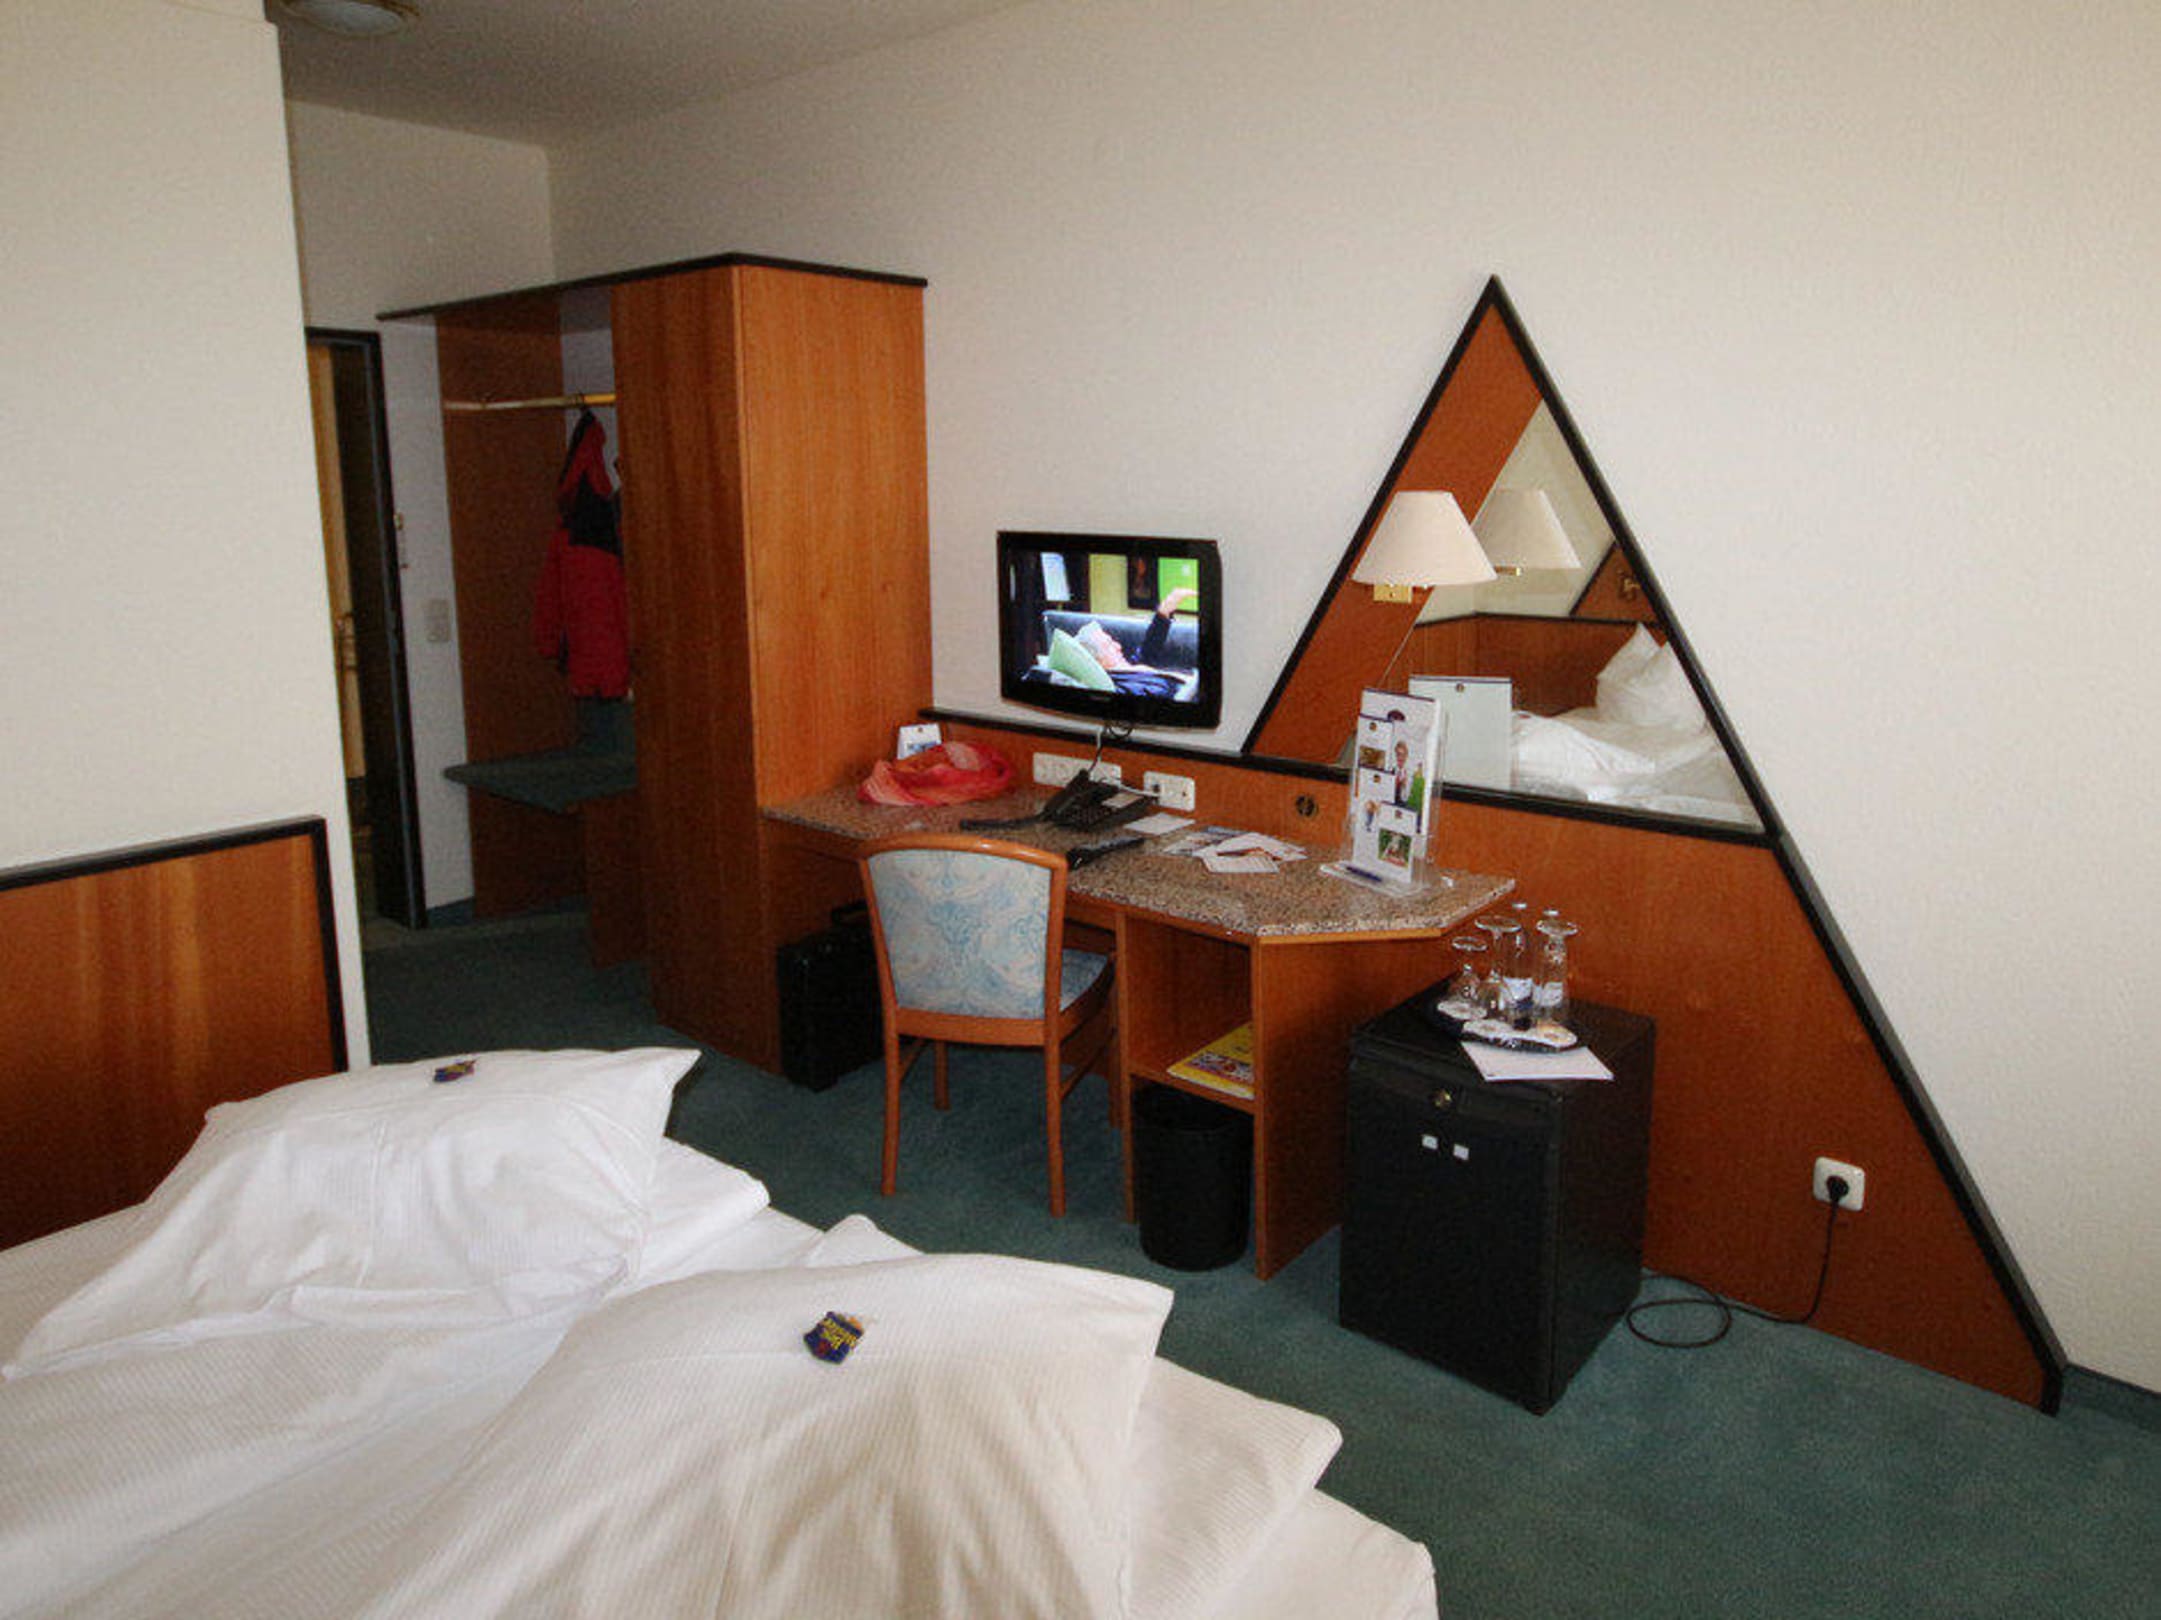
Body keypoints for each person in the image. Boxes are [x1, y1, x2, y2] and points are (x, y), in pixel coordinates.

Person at [1073, 585, 1198, 699]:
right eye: (1109, 645)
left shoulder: (1128, 668)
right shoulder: (1121, 688)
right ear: (1098, 662)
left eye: (1112, 642)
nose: (1118, 646)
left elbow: (1147, 651)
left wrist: (1164, 611)